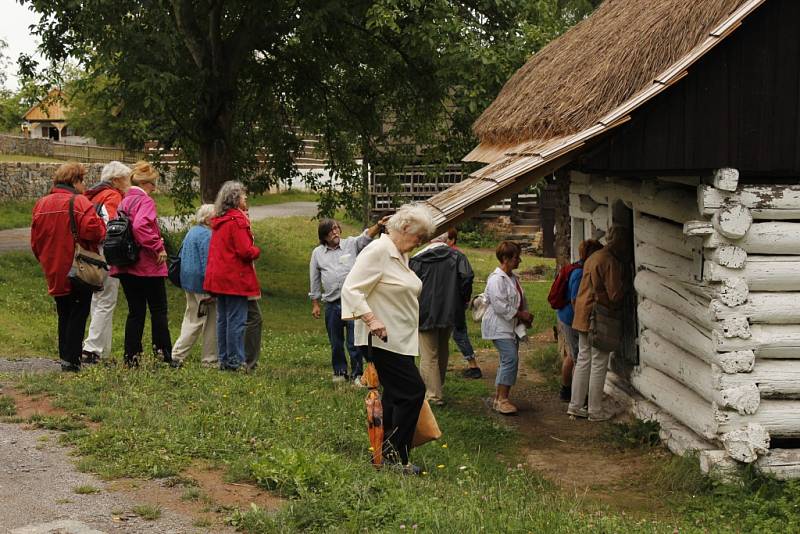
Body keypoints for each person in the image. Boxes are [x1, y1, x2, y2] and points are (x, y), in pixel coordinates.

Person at [341, 203, 435, 474]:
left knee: (395, 396)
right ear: (404, 227)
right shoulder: (378, 250)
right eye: (419, 236)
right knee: (412, 391)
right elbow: (351, 289)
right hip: (381, 339)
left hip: (401, 339)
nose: (420, 242)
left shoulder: (399, 254)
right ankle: (396, 458)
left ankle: (384, 456)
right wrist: (371, 319)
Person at [31, 162, 105, 372]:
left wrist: (45, 259)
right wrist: (101, 222)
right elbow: (95, 232)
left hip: (53, 266)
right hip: (77, 266)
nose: (84, 185)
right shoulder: (80, 202)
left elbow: (35, 241)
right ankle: (72, 361)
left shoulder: (41, 204)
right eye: (82, 180)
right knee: (79, 311)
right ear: (75, 181)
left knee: (63, 311)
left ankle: (65, 356)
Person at [309, 216, 389, 384]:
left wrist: (379, 225)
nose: (335, 232)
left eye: (337, 228)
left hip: (352, 303)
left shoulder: (351, 244)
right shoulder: (317, 253)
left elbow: (366, 237)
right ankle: (339, 372)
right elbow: (314, 279)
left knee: (354, 342)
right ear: (323, 236)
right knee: (336, 342)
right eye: (331, 231)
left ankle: (358, 374)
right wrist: (315, 303)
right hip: (332, 304)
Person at [110, 161, 173, 367]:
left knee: (135, 312)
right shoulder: (144, 201)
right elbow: (140, 226)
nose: (154, 189)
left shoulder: (124, 201)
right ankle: (163, 356)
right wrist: (158, 247)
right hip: (147, 266)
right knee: (158, 309)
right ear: (145, 183)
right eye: (153, 184)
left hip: (126, 264)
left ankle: (131, 357)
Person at [569, 226, 629, 421]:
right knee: (599, 361)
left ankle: (575, 405)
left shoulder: (594, 256)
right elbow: (615, 294)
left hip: (583, 313)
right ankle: (595, 410)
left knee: (584, 360)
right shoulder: (609, 260)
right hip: (598, 316)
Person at [410, 232, 473, 406]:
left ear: (430, 239)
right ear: (446, 239)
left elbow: (409, 285)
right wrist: (462, 299)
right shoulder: (458, 256)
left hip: (425, 311)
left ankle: (433, 394)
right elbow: (467, 277)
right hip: (450, 310)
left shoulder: (418, 259)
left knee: (429, 354)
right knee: (443, 348)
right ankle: (438, 386)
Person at [204, 181, 261, 371]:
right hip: (234, 277)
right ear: (236, 199)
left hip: (219, 277)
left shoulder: (219, 220)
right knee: (236, 320)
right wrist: (256, 250)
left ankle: (224, 359)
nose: (246, 199)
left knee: (223, 319)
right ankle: (236, 361)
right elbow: (245, 251)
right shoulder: (237, 220)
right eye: (244, 196)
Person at [81, 161, 132, 364]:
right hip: (107, 252)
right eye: (126, 178)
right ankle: (92, 347)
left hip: (92, 251)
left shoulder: (95, 195)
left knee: (98, 299)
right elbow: (111, 224)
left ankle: (102, 350)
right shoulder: (113, 195)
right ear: (116, 179)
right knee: (106, 299)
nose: (129, 182)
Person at [481, 241, 532, 415]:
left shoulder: (512, 278)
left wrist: (525, 316)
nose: (520, 261)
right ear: (505, 258)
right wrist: (520, 315)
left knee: (507, 360)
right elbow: (500, 306)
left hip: (510, 326)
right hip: (498, 326)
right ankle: (502, 399)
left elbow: (518, 300)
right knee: (510, 358)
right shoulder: (497, 279)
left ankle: (499, 398)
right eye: (516, 257)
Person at [556, 239, 603, 401]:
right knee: (579, 359)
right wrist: (582, 322)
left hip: (565, 316)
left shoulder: (576, 267)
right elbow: (577, 300)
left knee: (572, 355)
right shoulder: (579, 273)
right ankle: (578, 396)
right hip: (571, 318)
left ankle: (567, 390)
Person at [171, 204, 217, 367]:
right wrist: (212, 288)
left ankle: (177, 354)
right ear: (207, 219)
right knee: (206, 320)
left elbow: (182, 255)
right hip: (202, 283)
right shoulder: (207, 235)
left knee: (191, 316)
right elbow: (208, 262)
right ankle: (208, 359)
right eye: (215, 216)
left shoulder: (192, 231)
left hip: (188, 281)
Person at [446, 227, 481, 379]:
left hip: (454, 302)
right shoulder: (447, 255)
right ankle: (442, 363)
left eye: (445, 239)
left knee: (459, 333)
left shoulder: (455, 255)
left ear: (452, 240)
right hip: (448, 301)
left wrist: (463, 298)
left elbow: (466, 278)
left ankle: (474, 367)